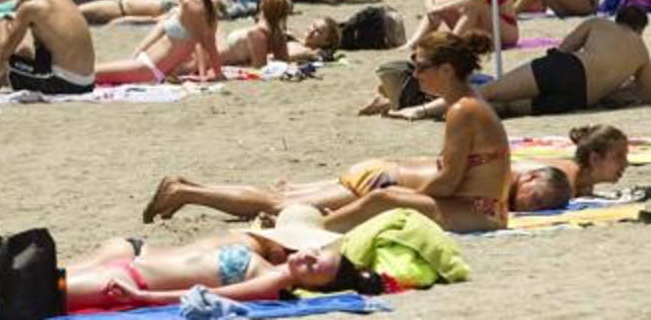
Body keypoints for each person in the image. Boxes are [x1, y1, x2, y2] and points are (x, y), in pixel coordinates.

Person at [0, 206, 382, 319]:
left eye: (318, 267)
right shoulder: (273, 258)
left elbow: (205, 299)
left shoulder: (269, 285)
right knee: (25, 279)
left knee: (24, 296)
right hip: (128, 269)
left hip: (125, 287)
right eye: (318, 254)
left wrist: (144, 300)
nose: (310, 257)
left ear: (313, 285)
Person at [323, 32, 513, 233]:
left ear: (446, 70)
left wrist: (410, 199)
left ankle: (319, 229)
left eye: (421, 67)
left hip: (479, 214)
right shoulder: (467, 102)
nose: (415, 75)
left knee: (383, 199)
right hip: (484, 210)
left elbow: (448, 181)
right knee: (390, 195)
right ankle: (333, 224)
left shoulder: (463, 110)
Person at [391, 7, 651, 119]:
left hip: (567, 68)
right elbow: (644, 94)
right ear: (640, 29)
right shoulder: (642, 53)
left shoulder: (599, 24)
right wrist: (611, 88)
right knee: (507, 107)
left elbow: (563, 49)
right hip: (580, 98)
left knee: (491, 90)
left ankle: (421, 111)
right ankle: (443, 111)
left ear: (619, 19)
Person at [142, 156, 571, 223]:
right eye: (532, 201)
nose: (523, 206)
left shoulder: (497, 164)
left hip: (382, 168)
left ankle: (191, 186)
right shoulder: (496, 181)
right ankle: (185, 194)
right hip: (385, 180)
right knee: (280, 204)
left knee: (286, 200)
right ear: (533, 178)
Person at [94, 0, 223, 84]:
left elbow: (207, 41)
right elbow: (202, 41)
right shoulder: (207, 8)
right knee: (89, 72)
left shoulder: (191, 4)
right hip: (148, 65)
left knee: (89, 74)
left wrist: (216, 73)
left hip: (149, 69)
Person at [220, 0, 340, 68]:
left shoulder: (262, 34)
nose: (312, 31)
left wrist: (305, 54)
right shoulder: (279, 34)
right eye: (313, 26)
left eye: (318, 31)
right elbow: (281, 61)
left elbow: (263, 65)